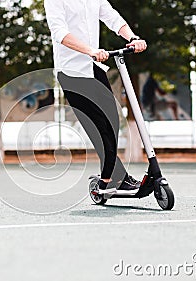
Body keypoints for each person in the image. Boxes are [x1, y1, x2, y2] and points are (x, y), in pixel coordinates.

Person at [44, 0, 147, 194]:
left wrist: (132, 37)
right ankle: (108, 180)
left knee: (113, 121)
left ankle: (115, 177)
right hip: (71, 71)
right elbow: (59, 32)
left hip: (94, 67)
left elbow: (112, 18)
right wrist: (90, 50)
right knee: (99, 126)